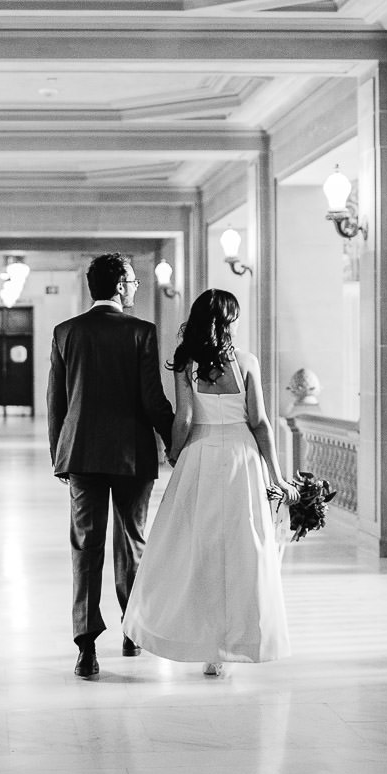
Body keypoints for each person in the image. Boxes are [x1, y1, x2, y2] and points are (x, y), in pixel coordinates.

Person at [128, 290, 293, 676]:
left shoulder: (186, 362)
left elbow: (183, 418)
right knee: (242, 551)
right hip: (242, 458)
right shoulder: (248, 362)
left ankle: (202, 642)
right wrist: (277, 475)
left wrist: (174, 453)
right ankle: (234, 643)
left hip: (200, 454)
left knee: (192, 548)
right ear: (229, 321)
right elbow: (260, 423)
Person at [47, 254, 175, 679]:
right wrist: (177, 440)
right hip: (131, 454)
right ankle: (132, 631)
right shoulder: (141, 332)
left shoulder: (66, 332)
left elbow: (57, 403)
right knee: (132, 541)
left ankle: (86, 647)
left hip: (81, 454)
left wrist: (59, 454)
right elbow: (152, 399)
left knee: (85, 548)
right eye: (134, 281)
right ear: (120, 285)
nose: (137, 288)